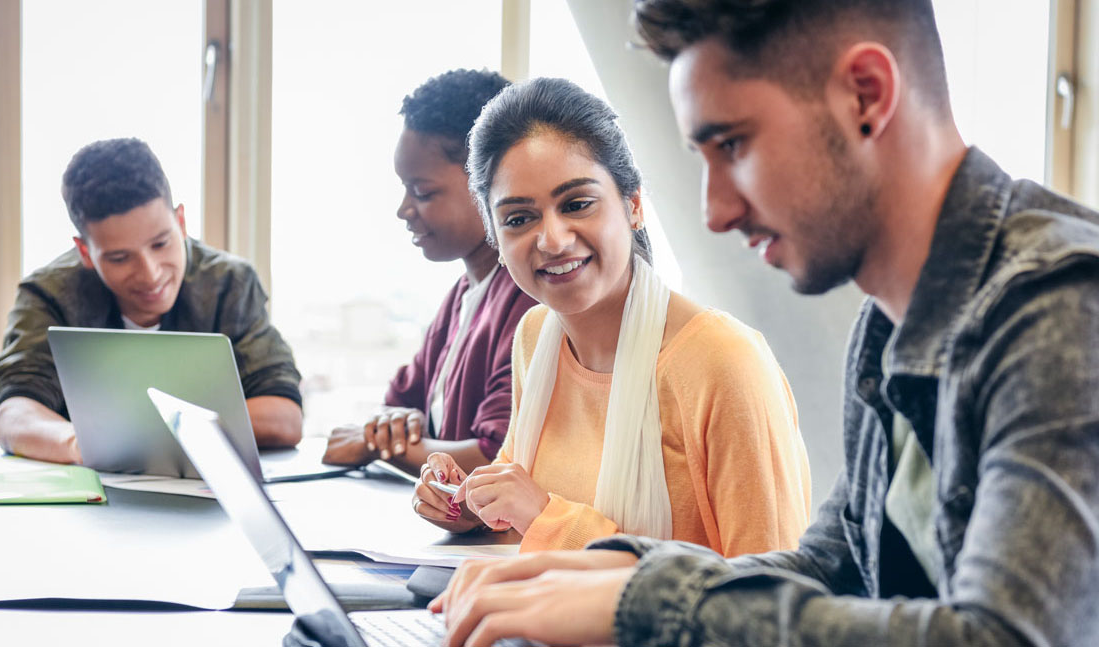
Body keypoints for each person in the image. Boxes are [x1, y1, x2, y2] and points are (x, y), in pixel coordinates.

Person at [429, 1, 1099, 646]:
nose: (715, 211)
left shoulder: (1060, 308)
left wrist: (647, 602)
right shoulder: (889, 323)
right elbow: (831, 571)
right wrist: (598, 571)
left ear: (866, 95)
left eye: (735, 145)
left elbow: (1008, 634)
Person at [413, 77, 811, 554]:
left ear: (634, 205)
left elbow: (769, 596)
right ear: (495, 239)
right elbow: (518, 512)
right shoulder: (536, 337)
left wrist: (547, 517)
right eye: (519, 219)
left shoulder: (723, 362)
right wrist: (464, 504)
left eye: (577, 204)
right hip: (544, 621)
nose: (553, 240)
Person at [0, 138, 304, 464]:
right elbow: (15, 413)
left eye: (160, 244)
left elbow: (284, 416)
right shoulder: (49, 294)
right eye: (119, 257)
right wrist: (82, 446)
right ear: (85, 252)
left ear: (180, 222)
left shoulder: (230, 285)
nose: (150, 274)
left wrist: (137, 435)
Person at [321, 69, 537, 476]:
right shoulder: (461, 295)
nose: (404, 209)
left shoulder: (529, 300)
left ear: (488, 181)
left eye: (422, 192)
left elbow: (495, 456)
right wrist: (389, 431)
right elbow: (398, 405)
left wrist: (374, 444)